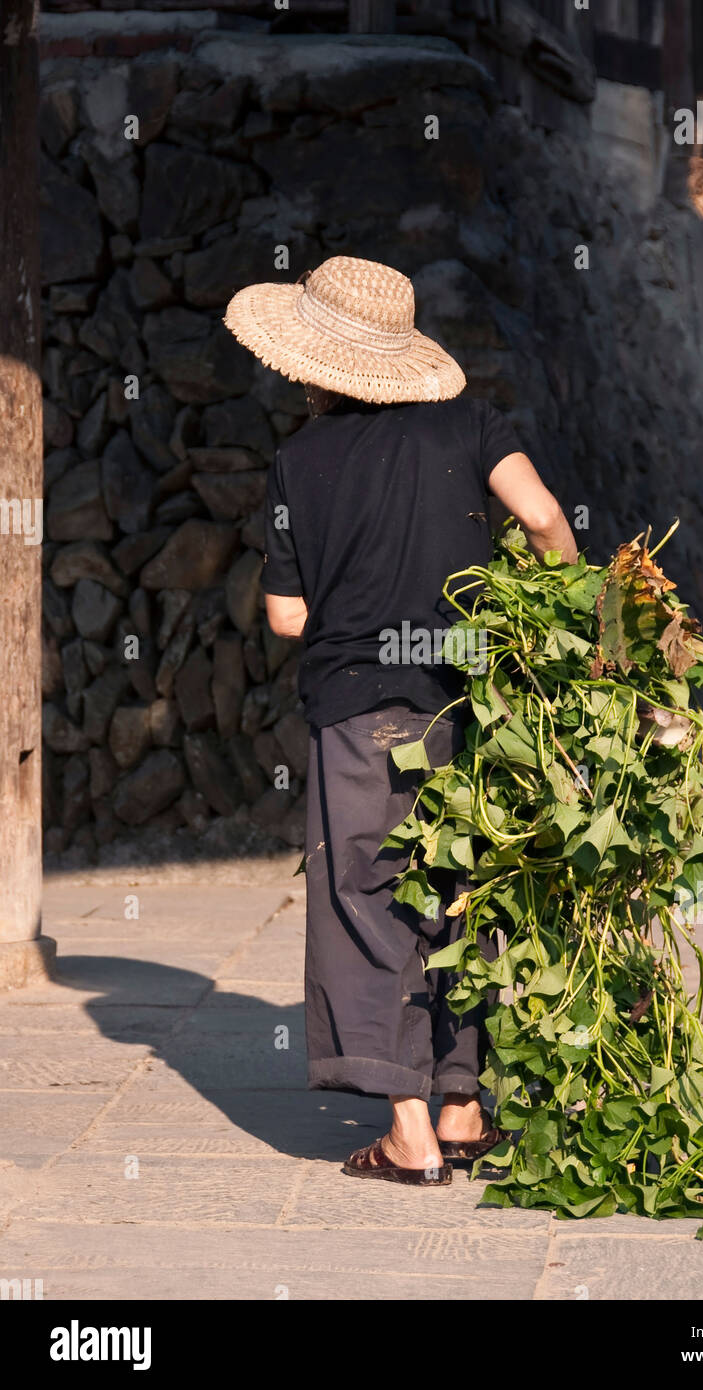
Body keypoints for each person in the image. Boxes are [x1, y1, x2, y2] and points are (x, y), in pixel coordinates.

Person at [224, 256, 577, 1186]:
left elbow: (288, 618)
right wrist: (559, 626)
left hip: (360, 707)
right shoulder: (470, 422)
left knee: (368, 901)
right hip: (471, 701)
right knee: (465, 891)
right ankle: (463, 1107)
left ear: (319, 364)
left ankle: (411, 1134)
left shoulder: (301, 460)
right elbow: (545, 521)